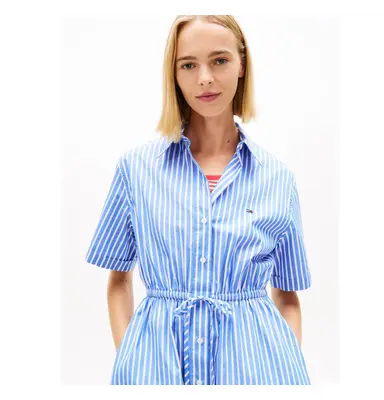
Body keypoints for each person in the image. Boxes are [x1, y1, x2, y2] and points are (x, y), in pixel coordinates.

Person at [85, 15, 312, 385]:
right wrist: (131, 362)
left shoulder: (277, 178)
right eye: (188, 65)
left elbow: (287, 297)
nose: (204, 78)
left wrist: (283, 369)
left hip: (258, 374)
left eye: (219, 60)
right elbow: (118, 280)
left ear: (242, 65)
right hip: (158, 373)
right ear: (174, 75)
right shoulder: (136, 169)